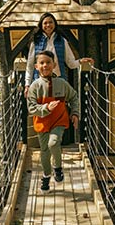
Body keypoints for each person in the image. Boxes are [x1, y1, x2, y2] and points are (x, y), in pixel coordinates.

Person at [27, 50, 79, 193]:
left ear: (54, 65)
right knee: (44, 151)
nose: (45, 65)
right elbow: (31, 107)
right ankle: (46, 175)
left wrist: (75, 113)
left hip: (59, 120)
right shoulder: (34, 86)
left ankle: (57, 168)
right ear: (36, 66)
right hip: (42, 122)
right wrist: (45, 108)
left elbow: (74, 97)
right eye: (41, 63)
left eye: (48, 62)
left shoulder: (61, 83)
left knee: (53, 143)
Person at [24, 12, 93, 98]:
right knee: (41, 107)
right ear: (41, 25)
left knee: (57, 107)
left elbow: (70, 63)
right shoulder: (35, 42)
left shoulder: (62, 41)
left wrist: (80, 61)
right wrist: (27, 84)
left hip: (58, 80)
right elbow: (30, 65)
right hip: (39, 81)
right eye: (45, 23)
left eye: (50, 22)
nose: (48, 25)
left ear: (55, 24)